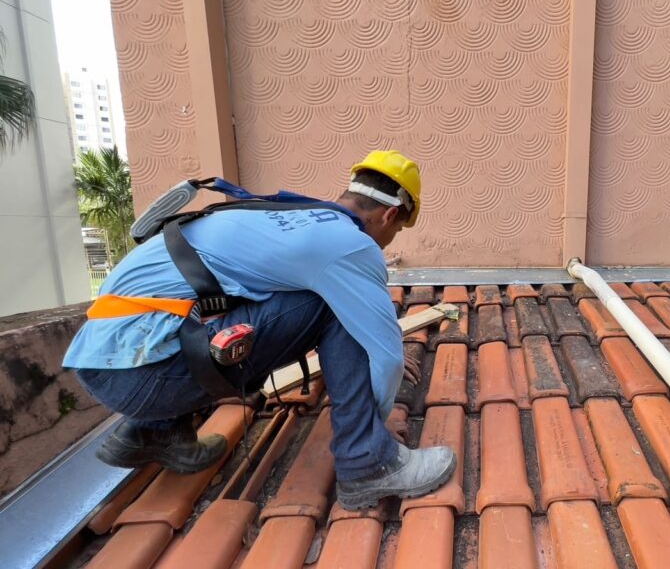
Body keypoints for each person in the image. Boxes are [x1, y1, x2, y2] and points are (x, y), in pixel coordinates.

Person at [62, 150, 455, 510]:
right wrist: (378, 395)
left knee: (226, 297)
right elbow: (385, 357)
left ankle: (157, 431)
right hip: (147, 374)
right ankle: (368, 462)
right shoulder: (349, 244)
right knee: (334, 303)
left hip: (101, 359)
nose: (389, 242)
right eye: (397, 232)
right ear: (390, 216)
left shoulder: (281, 216)